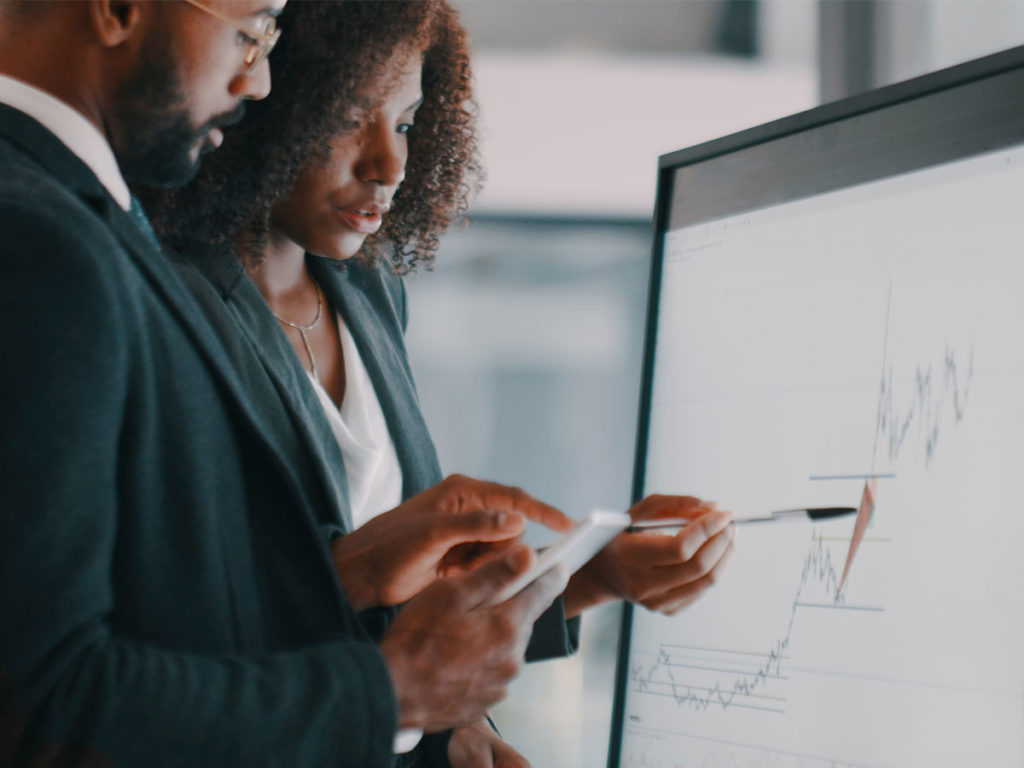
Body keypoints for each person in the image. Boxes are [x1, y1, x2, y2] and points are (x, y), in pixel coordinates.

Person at [146, 0, 737, 764]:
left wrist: (596, 574)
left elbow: (403, 610)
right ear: (263, 96)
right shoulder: (165, 302)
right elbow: (207, 621)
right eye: (350, 116)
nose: (388, 165)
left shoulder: (368, 295)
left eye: (404, 122)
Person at [0, 2, 574, 766]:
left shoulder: (91, 224)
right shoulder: (42, 241)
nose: (262, 79)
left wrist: (363, 574)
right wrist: (391, 693)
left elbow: (163, 605)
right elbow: (45, 702)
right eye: (253, 26)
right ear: (118, 8)